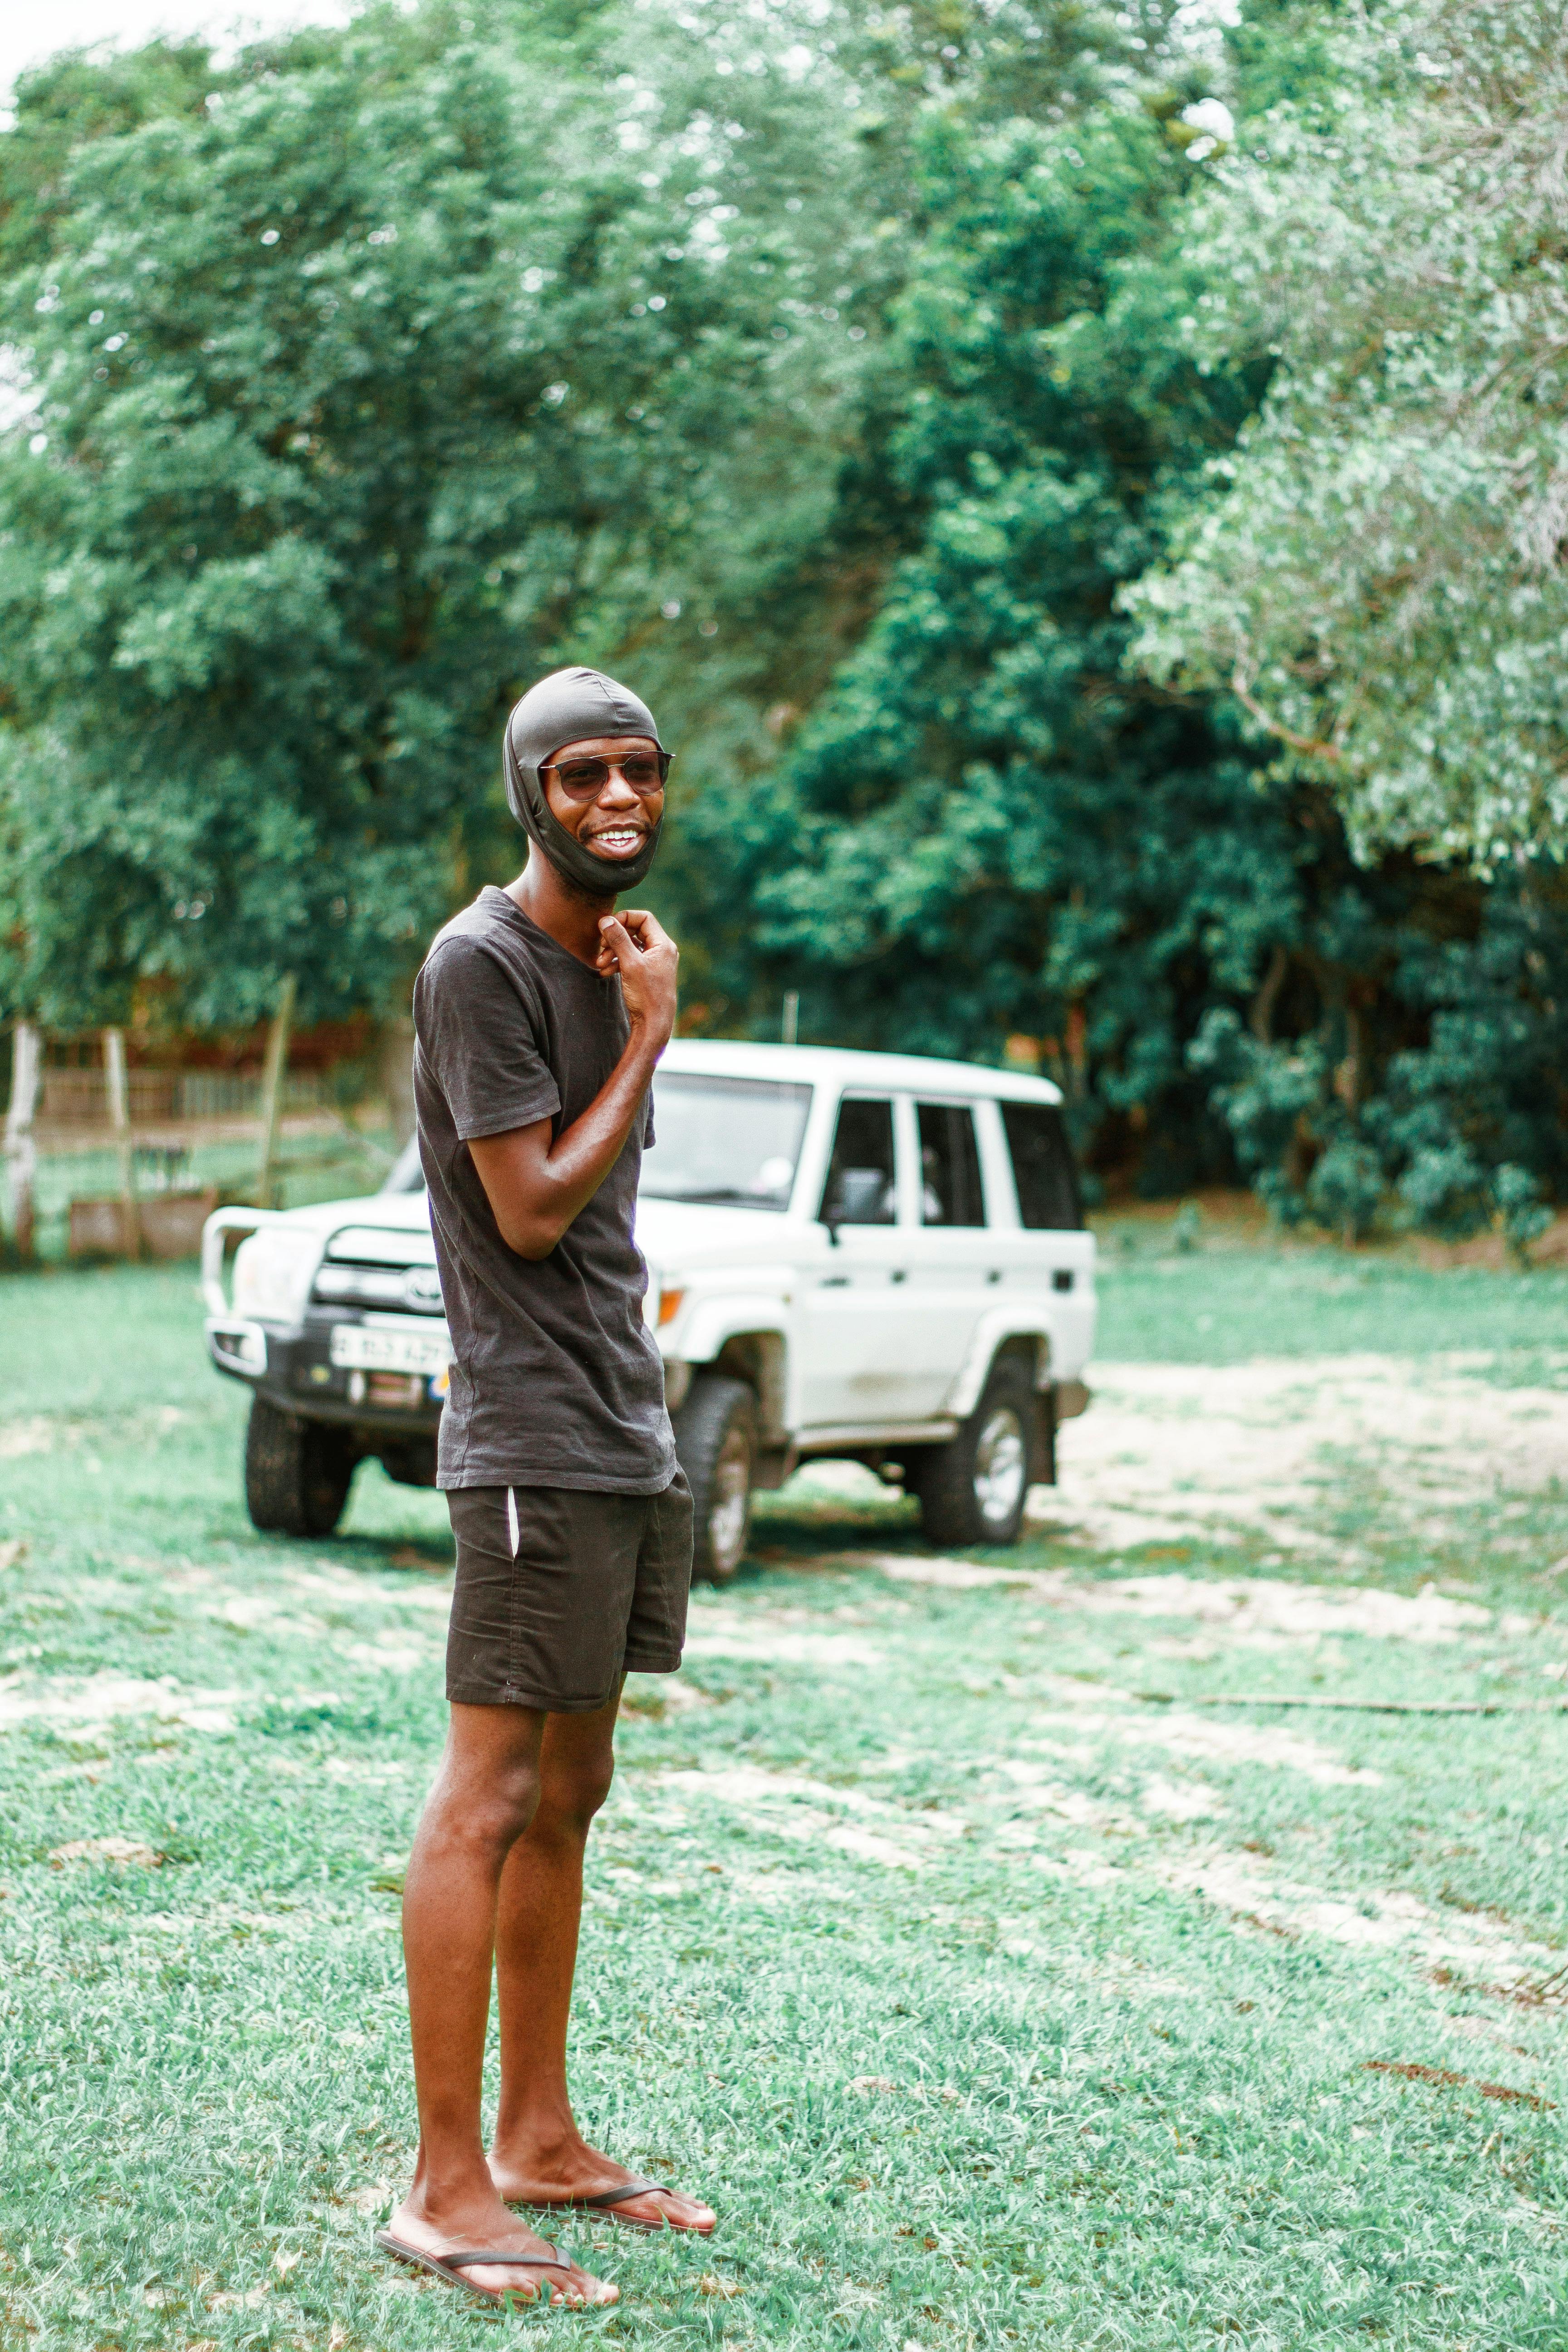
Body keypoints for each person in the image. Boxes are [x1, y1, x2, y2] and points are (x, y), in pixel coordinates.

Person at [375, 668, 713, 2312]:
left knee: (573, 1797)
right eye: (582, 776)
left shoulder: (608, 955)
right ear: (530, 793)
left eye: (640, 770)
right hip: (526, 1440)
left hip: (618, 1430)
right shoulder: (482, 964)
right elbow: (525, 1212)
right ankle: (444, 2188)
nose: (617, 799)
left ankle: (539, 2137)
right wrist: (648, 1040)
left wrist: (633, 1013)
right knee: (489, 1794)